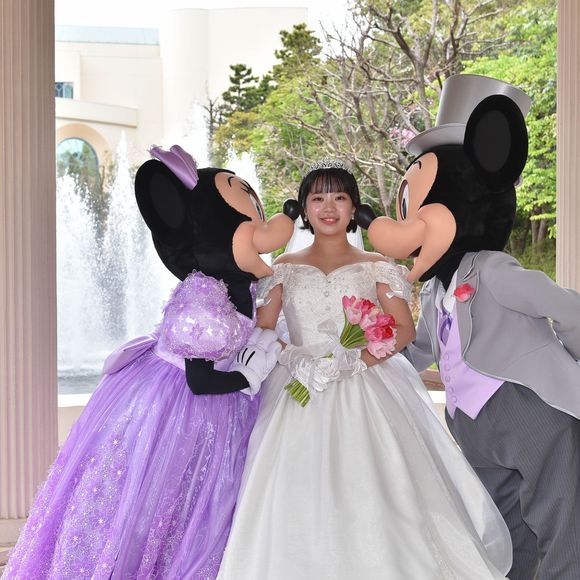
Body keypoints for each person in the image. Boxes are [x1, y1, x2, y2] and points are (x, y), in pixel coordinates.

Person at [4, 145, 297, 579]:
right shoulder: (202, 297)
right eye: (248, 221)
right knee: (153, 495)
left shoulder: (242, 287)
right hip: (175, 405)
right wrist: (250, 373)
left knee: (192, 503)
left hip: (215, 406)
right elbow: (200, 380)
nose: (264, 229)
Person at [217, 160, 512, 580]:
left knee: (376, 487)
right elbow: (263, 330)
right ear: (304, 208)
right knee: (295, 487)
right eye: (318, 198)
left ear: (354, 207)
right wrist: (294, 358)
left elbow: (404, 329)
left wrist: (354, 360)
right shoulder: (281, 269)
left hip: (366, 382)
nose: (329, 207)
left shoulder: (377, 265)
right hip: (299, 387)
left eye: (339, 197)